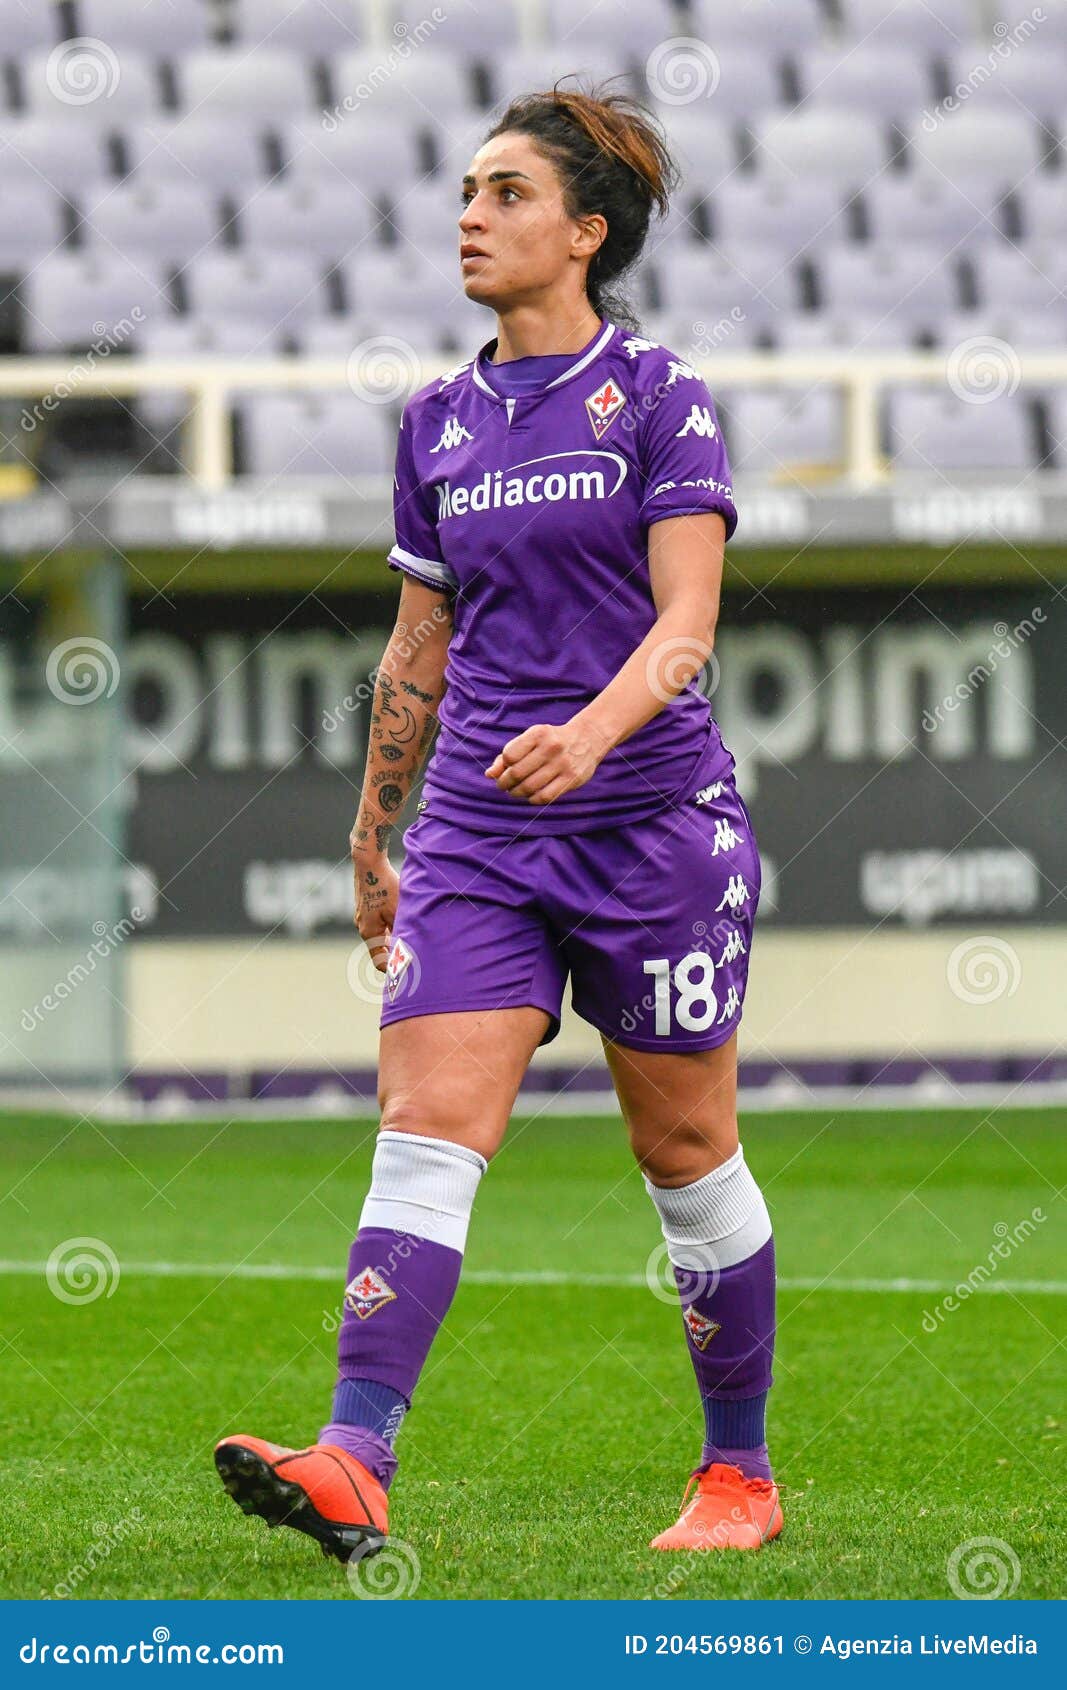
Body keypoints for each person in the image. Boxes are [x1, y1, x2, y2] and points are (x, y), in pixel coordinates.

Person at [215, 84, 779, 1565]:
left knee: (687, 1150)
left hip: (650, 821)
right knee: (425, 1132)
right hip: (477, 829)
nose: (472, 212)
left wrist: (590, 736)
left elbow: (688, 626)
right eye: (468, 189)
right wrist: (371, 826)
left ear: (586, 232)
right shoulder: (438, 421)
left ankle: (739, 1473)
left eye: (509, 192)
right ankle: (354, 1456)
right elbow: (418, 646)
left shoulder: (658, 394)